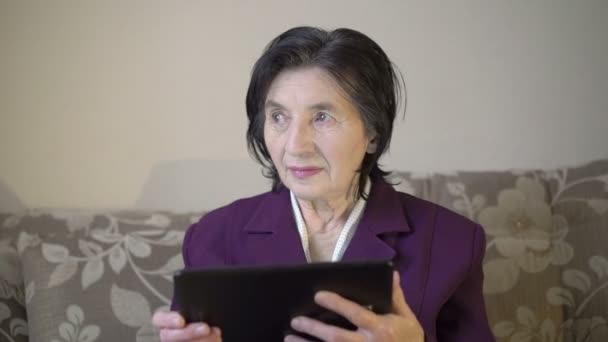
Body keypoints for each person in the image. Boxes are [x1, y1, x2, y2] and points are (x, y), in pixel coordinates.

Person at [152, 26, 494, 342]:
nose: (295, 145)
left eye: (322, 117)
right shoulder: (213, 237)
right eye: (278, 117)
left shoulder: (452, 242)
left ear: (372, 133)